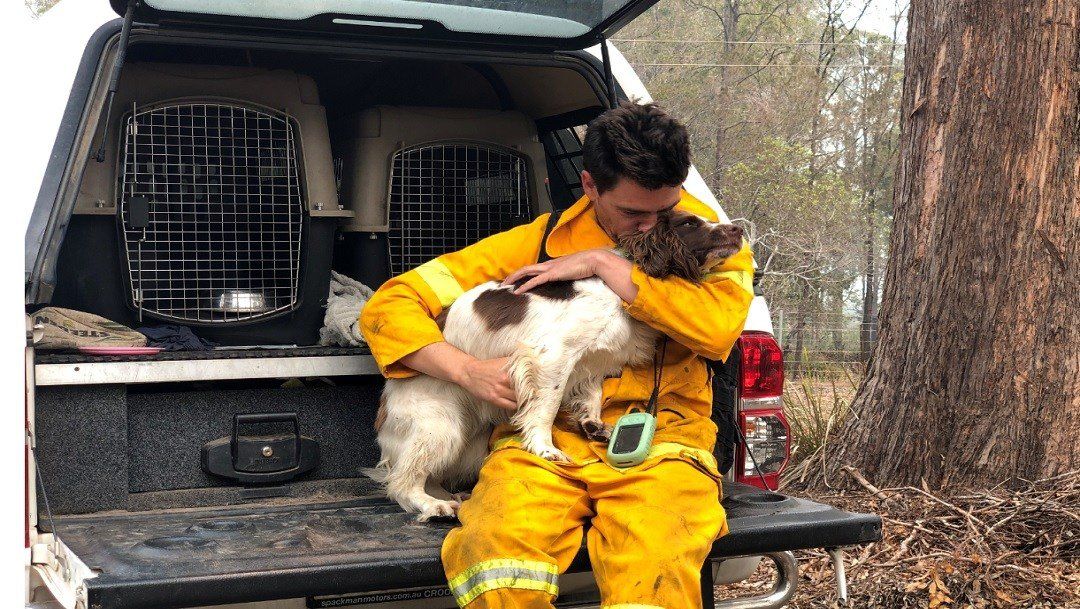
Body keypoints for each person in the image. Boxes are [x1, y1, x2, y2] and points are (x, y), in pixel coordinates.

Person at [360, 101, 755, 609]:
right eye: (634, 213)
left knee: (655, 566)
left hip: (662, 445)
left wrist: (603, 264)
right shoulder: (538, 242)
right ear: (590, 186)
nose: (651, 226)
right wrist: (467, 370)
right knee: (497, 556)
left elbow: (715, 327)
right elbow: (388, 305)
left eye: (665, 209)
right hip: (540, 444)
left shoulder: (704, 240)